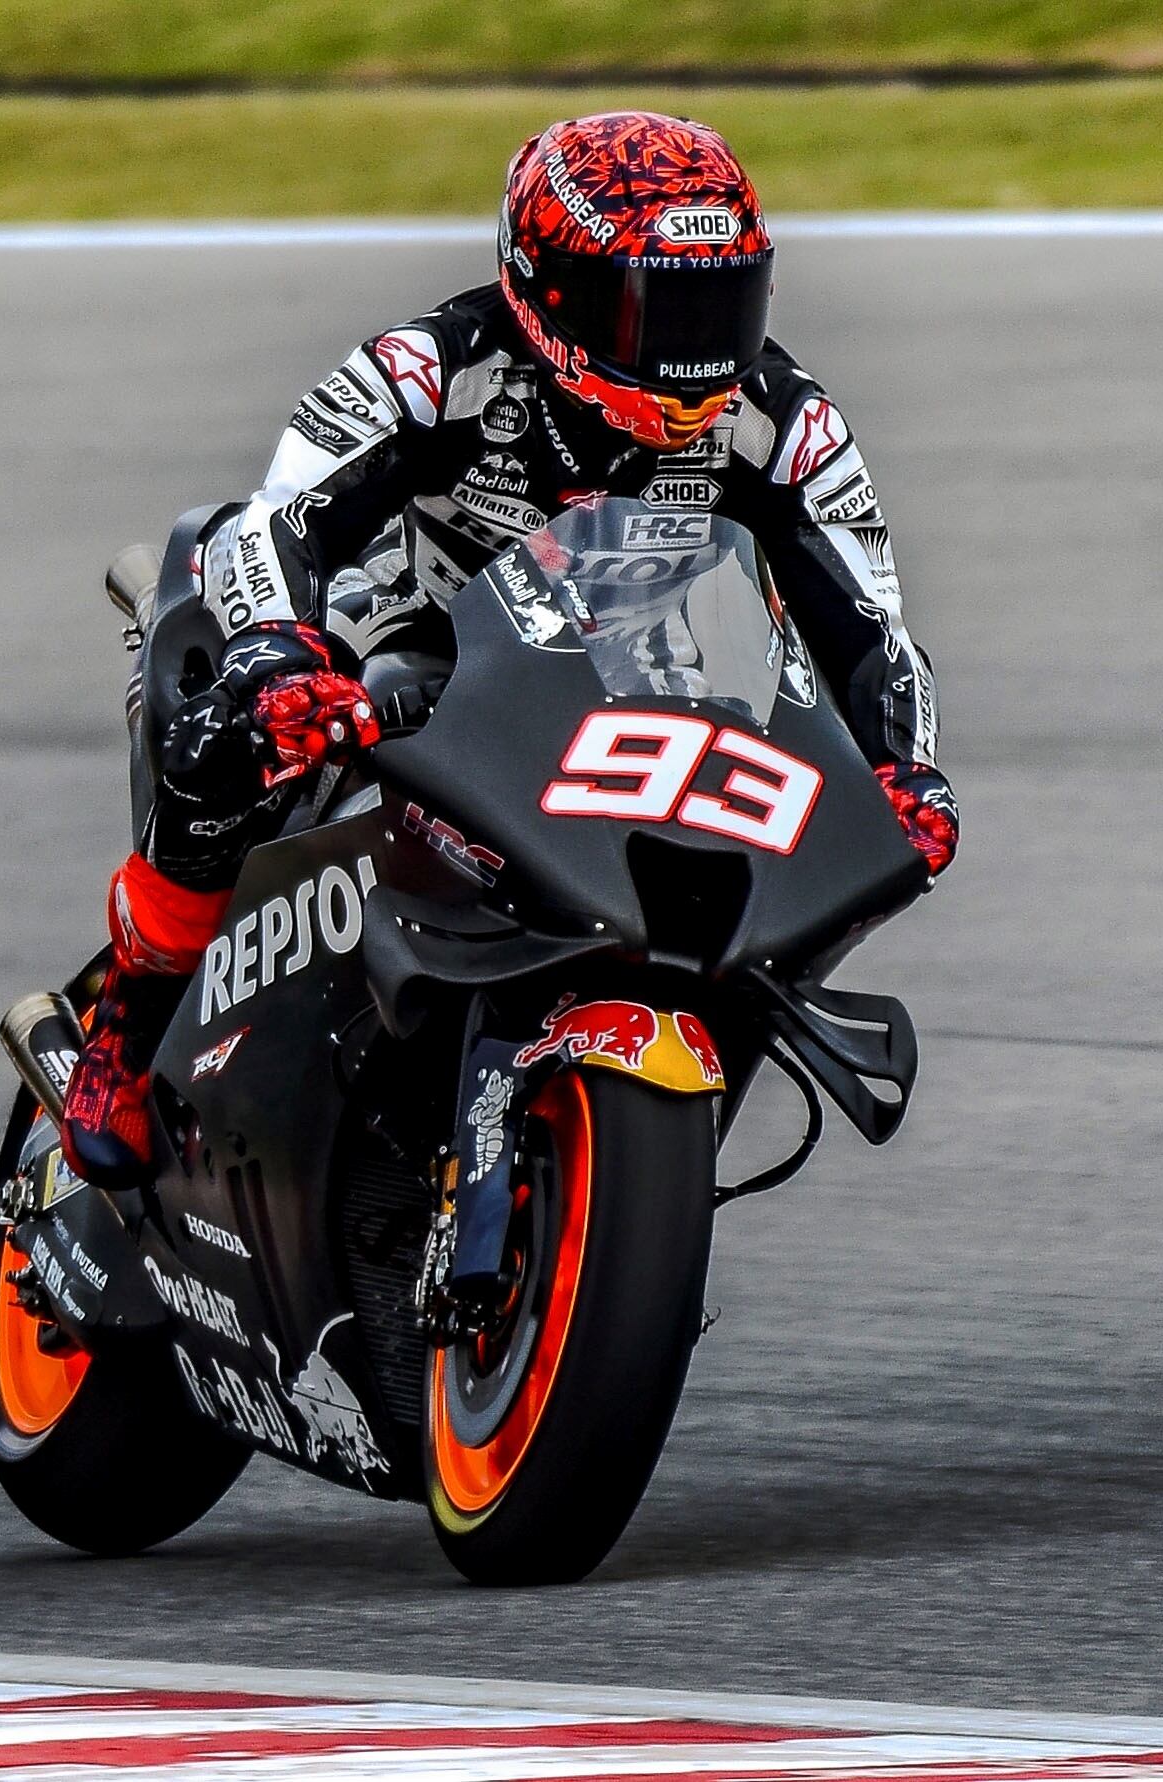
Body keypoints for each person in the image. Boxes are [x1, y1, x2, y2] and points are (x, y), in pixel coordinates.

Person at [60, 109, 959, 1188]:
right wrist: (279, 660)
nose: (695, 352)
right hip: (404, 631)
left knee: (828, 855)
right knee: (227, 732)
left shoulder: (787, 425)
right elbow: (274, 521)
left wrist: (905, 773)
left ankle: (646, 1118)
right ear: (549, 291)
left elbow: (872, 633)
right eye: (655, 310)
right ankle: (132, 1005)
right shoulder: (430, 366)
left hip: (640, 675)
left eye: (723, 303)